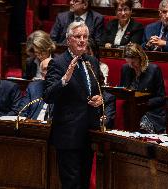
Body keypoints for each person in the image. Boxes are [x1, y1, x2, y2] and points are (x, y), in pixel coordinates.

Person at [43, 22, 103, 189]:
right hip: (69, 134)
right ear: (68, 40)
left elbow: (98, 89)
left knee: (84, 182)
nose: (82, 40)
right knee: (71, 184)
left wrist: (99, 98)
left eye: (85, 37)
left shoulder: (92, 61)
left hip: (89, 132)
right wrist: (64, 80)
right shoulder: (58, 63)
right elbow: (48, 96)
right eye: (78, 37)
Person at [120, 43, 166, 133]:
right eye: (128, 62)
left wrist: (144, 104)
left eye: (133, 62)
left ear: (140, 58)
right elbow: (122, 92)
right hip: (130, 109)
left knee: (141, 126)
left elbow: (161, 97)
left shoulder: (154, 70)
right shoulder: (125, 68)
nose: (130, 66)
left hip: (150, 111)